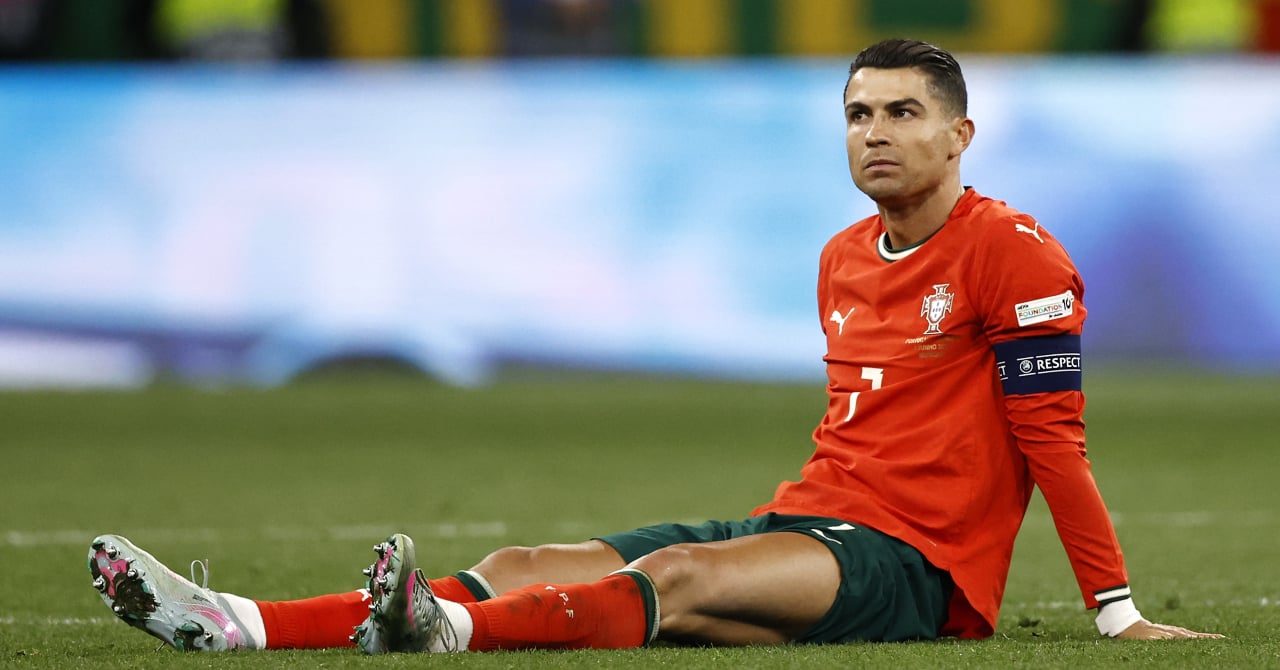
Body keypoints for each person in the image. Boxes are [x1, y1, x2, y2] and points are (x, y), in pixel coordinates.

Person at [87, 38, 1223, 653]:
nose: (873, 134)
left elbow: (1052, 440)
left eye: (901, 113)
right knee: (532, 564)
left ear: (960, 133)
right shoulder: (841, 254)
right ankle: (240, 624)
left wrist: (1113, 608)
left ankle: (445, 632)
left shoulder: (1014, 253)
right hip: (810, 519)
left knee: (669, 582)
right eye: (856, 114)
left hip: (917, 568)